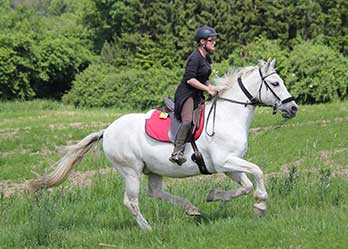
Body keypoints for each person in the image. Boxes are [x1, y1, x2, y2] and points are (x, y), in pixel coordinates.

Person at [169, 26, 218, 165]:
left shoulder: (206, 58)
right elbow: (190, 79)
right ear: (203, 42)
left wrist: (210, 86)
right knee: (188, 121)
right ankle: (177, 152)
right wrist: (207, 89)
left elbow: (203, 77)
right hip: (186, 95)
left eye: (215, 40)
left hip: (197, 94)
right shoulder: (195, 57)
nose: (214, 42)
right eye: (211, 40)